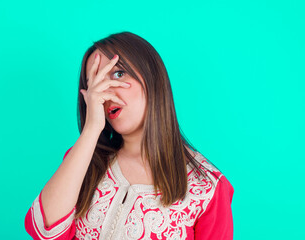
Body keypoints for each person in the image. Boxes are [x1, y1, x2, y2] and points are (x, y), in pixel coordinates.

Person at [24, 31, 234, 240]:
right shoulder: (85, 158)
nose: (105, 92)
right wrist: (91, 129)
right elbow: (45, 230)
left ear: (152, 75)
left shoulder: (208, 188)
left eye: (118, 74)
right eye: (94, 83)